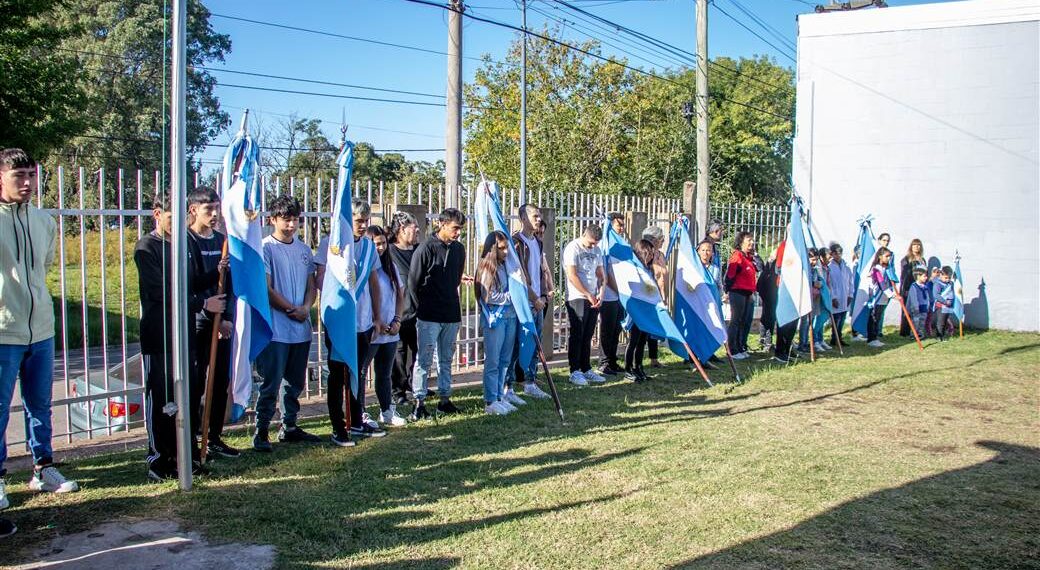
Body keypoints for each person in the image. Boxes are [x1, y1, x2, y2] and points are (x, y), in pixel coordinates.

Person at [0, 149, 78, 533]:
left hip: (41, 329)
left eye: (31, 175)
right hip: (3, 330)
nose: (28, 183)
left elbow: (43, 267)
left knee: (40, 405)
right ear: (1, 177)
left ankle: (43, 468)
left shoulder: (43, 220)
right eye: (19, 176)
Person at [135, 195, 226, 480]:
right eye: (172, 218)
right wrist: (201, 305)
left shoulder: (184, 244)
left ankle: (183, 456)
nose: (179, 224)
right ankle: (158, 459)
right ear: (157, 214)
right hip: (159, 335)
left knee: (184, 396)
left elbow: (193, 282)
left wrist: (218, 272)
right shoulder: (147, 247)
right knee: (161, 398)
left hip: (184, 335)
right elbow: (159, 292)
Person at [253, 196, 321, 452]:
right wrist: (290, 309)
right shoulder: (265, 248)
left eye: (295, 220)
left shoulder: (304, 250)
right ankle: (261, 430)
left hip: (300, 328)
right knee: (271, 382)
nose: (291, 225)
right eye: (286, 220)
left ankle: (289, 426)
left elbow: (311, 284)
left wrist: (306, 308)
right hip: (277, 328)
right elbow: (266, 287)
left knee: (295, 382)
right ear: (273, 220)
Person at [315, 199, 386, 442]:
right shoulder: (331, 244)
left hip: (363, 321)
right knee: (337, 376)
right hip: (339, 321)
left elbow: (375, 283)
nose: (362, 225)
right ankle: (338, 427)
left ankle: (356, 420)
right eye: (358, 221)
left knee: (358, 372)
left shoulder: (368, 247)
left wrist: (377, 317)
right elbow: (320, 281)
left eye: (366, 221)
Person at [186, 187, 239, 459]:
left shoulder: (222, 241)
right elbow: (189, 284)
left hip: (221, 322)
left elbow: (229, 284)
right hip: (197, 322)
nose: (215, 214)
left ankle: (214, 436)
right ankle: (194, 439)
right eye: (209, 209)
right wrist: (208, 312)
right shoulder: (186, 241)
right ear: (194, 210)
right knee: (196, 382)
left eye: (217, 208)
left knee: (219, 381)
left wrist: (226, 318)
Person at [408, 208, 469, 419]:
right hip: (429, 314)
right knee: (424, 360)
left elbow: (456, 278)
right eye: (455, 228)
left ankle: (445, 399)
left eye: (460, 229)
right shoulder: (426, 248)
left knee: (446, 359)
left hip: (451, 313)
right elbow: (413, 283)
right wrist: (421, 309)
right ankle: (419, 401)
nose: (458, 233)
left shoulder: (459, 249)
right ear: (442, 224)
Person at [506, 203, 553, 401]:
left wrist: (543, 295)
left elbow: (540, 270)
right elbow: (520, 274)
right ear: (523, 218)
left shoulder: (538, 241)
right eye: (534, 216)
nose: (538, 219)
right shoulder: (516, 242)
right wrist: (533, 298)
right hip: (523, 302)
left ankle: (530, 382)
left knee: (536, 343)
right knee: (516, 345)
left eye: (539, 216)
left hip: (538, 302)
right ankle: (508, 386)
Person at [362, 225, 406, 427]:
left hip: (390, 331)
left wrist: (397, 320)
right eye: (375, 244)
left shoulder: (391, 267)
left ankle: (387, 410)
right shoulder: (364, 267)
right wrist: (374, 321)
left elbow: (399, 294)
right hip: (371, 330)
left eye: (382, 243)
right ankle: (359, 412)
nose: (379, 248)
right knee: (362, 372)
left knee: (384, 373)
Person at [476, 231, 519, 414]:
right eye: (501, 248)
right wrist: (511, 297)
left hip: (509, 316)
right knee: (493, 361)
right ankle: (490, 400)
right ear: (493, 249)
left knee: (505, 360)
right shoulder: (487, 267)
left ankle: (500, 395)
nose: (506, 252)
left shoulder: (505, 265)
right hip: (495, 319)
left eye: (507, 247)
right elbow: (487, 296)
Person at [563, 225, 606, 386]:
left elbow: (601, 274)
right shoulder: (572, 248)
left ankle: (586, 367)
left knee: (588, 334)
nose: (593, 247)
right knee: (578, 333)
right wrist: (587, 294)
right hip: (577, 296)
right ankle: (575, 370)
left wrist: (601, 293)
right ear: (584, 235)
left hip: (593, 297)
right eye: (590, 243)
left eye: (596, 244)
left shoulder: (597, 251)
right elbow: (572, 275)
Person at [387, 211, 420, 407]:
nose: (417, 230)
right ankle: (397, 391)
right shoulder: (390, 252)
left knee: (419, 351)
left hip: (419, 310)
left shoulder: (418, 250)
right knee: (398, 354)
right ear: (401, 229)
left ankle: (413, 384)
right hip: (399, 312)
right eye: (413, 226)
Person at [623, 239, 660, 382]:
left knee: (642, 341)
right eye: (649, 253)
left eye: (652, 253)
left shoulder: (648, 269)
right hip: (636, 310)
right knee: (633, 341)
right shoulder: (634, 267)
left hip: (646, 309)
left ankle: (639, 367)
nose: (651, 256)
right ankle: (628, 369)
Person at [596, 213, 625, 378]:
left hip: (618, 296)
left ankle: (613, 360)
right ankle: (604, 362)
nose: (621, 229)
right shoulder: (604, 246)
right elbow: (606, 273)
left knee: (616, 329)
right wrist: (617, 288)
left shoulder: (619, 245)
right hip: (608, 294)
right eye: (618, 225)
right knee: (607, 330)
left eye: (622, 225)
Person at [725, 231, 757, 359]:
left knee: (744, 320)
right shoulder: (737, 256)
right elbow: (731, 274)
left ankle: (740, 346)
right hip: (737, 291)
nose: (751, 242)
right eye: (749, 240)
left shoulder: (748, 257)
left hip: (747, 292)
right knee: (736, 320)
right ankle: (732, 349)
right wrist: (728, 291)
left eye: (752, 240)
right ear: (741, 241)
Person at [642, 226, 668, 368]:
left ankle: (654, 358)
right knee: (646, 329)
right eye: (661, 239)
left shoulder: (661, 255)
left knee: (655, 328)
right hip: (649, 295)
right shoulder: (646, 255)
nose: (663, 242)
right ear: (652, 240)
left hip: (661, 295)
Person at [772, 239, 800, 363]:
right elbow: (778, 267)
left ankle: (788, 348)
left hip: (797, 288)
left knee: (794, 320)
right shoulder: (784, 246)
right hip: (786, 287)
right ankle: (780, 350)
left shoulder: (800, 246)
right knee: (784, 320)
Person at [867, 247, 896, 347]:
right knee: (874, 318)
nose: (888, 258)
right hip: (877, 297)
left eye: (889, 256)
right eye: (886, 256)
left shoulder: (887, 269)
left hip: (883, 297)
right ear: (880, 256)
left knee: (878, 318)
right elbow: (881, 283)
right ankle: (871, 339)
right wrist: (892, 295)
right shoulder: (876, 269)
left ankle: (875, 337)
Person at [827, 242, 854, 347]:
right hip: (836, 298)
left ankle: (839, 337)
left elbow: (850, 282)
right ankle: (834, 338)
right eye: (836, 253)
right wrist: (833, 297)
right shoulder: (830, 267)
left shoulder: (845, 266)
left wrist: (850, 295)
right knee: (836, 319)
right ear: (832, 254)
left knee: (842, 319)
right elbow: (830, 284)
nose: (838, 255)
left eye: (840, 253)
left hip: (845, 297)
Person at [899, 239, 926, 337]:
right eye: (914, 245)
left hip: (920, 288)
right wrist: (906, 289)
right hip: (909, 287)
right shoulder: (906, 259)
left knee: (919, 309)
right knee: (908, 310)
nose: (916, 247)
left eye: (918, 245)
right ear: (911, 246)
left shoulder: (922, 260)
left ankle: (917, 330)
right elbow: (904, 275)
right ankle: (905, 331)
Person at [757, 248, 779, 350]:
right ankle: (766, 341)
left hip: (773, 294)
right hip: (768, 294)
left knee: (769, 317)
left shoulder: (776, 265)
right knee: (768, 317)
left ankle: (765, 339)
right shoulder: (770, 266)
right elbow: (762, 281)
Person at [933, 266, 959, 341]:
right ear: (941, 275)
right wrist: (945, 301)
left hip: (948, 306)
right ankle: (939, 336)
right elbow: (936, 295)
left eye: (949, 278)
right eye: (946, 278)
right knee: (941, 322)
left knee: (945, 321)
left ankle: (943, 335)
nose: (947, 280)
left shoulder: (949, 283)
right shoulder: (937, 284)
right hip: (941, 306)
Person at [907, 268, 933, 339]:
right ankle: (913, 335)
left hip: (924, 307)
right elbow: (913, 298)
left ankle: (920, 334)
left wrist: (928, 305)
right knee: (915, 322)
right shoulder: (914, 286)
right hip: (916, 308)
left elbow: (927, 297)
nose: (926, 278)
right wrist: (915, 307)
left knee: (922, 322)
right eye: (924, 276)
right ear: (918, 276)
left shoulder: (925, 287)